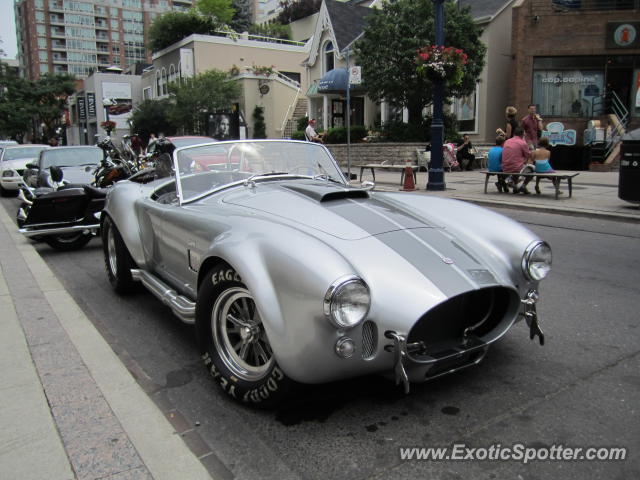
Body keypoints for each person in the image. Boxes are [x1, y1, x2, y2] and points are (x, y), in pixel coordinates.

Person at [502, 126, 534, 194]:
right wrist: (531, 149)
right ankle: (523, 186)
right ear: (522, 134)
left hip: (505, 167)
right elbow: (528, 155)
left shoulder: (507, 141)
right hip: (516, 168)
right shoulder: (522, 143)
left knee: (517, 162)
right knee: (532, 170)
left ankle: (514, 186)